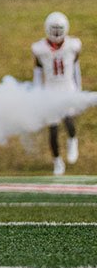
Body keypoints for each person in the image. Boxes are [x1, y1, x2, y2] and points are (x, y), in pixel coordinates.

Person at [32, 12, 82, 175]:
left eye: (59, 29)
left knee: (68, 120)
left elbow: (76, 70)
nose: (56, 33)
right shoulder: (40, 49)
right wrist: (37, 93)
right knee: (53, 130)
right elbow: (38, 73)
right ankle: (57, 161)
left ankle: (72, 140)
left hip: (67, 87)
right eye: (53, 29)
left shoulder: (72, 46)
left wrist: (78, 90)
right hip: (51, 90)